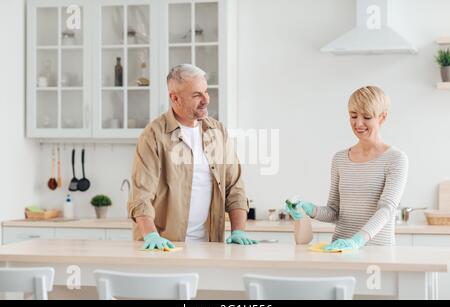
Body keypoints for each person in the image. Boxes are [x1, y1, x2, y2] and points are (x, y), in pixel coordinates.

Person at [128, 64, 257, 249]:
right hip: (165, 245)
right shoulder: (154, 135)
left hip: (210, 244)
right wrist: (150, 236)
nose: (206, 100)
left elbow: (234, 186)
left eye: (206, 92)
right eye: (197, 95)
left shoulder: (217, 131)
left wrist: (238, 230)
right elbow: (141, 195)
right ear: (175, 98)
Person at [286, 86, 408, 251]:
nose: (358, 123)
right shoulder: (340, 159)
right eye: (353, 116)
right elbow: (334, 212)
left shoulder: (395, 159)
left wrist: (357, 241)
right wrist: (310, 209)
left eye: (366, 117)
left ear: (382, 117)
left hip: (378, 251)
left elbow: (386, 209)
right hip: (339, 249)